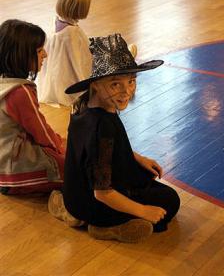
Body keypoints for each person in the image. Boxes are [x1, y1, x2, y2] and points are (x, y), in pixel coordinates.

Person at [48, 34, 180, 242]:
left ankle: (71, 211)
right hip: (96, 205)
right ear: (97, 84)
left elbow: (96, 151)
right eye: (115, 84)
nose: (126, 91)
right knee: (170, 200)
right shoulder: (103, 126)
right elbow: (103, 193)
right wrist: (143, 210)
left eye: (131, 82)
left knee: (148, 182)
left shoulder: (82, 104)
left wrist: (136, 157)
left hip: (74, 193)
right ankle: (106, 227)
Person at [0, 19, 65, 195]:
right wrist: (61, 150)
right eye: (39, 51)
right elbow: (41, 132)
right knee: (77, 168)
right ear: (21, 56)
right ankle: (65, 206)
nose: (45, 54)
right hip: (14, 171)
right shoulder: (20, 92)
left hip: (4, 163)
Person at [36, 0, 92, 106]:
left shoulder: (59, 21)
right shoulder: (72, 33)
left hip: (56, 73)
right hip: (66, 79)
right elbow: (79, 62)